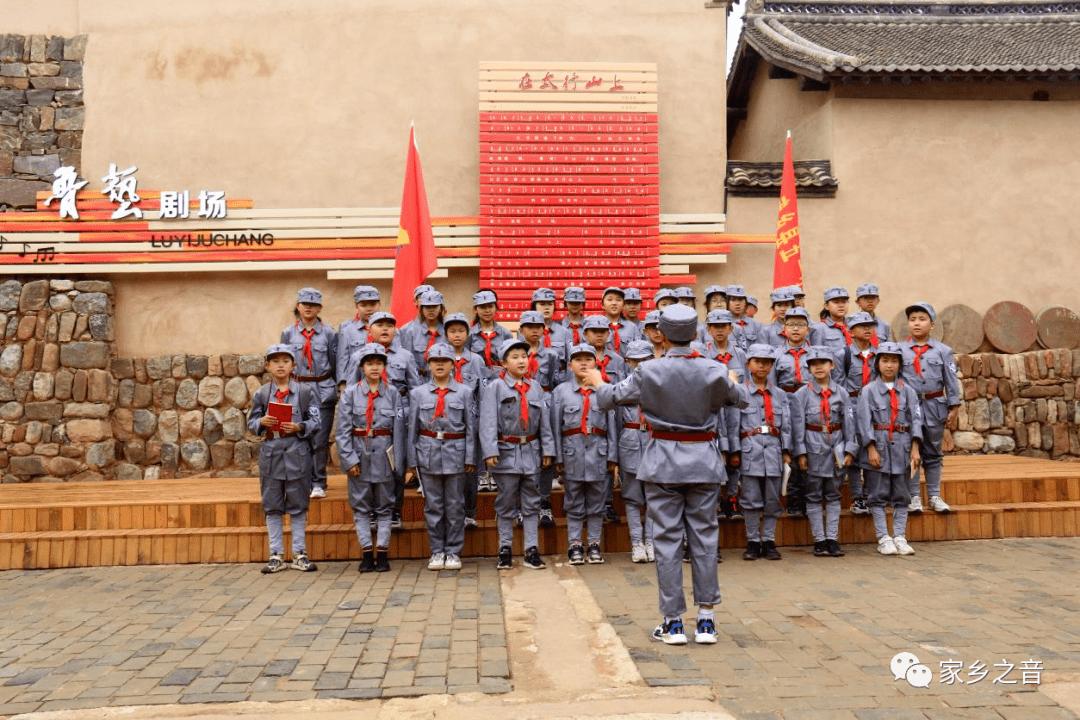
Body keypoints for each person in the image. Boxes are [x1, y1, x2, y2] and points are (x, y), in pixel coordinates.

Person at [587, 303, 745, 646]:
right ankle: (706, 620)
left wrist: (599, 380)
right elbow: (742, 399)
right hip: (703, 460)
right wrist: (731, 378)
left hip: (662, 461)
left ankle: (673, 622)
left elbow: (609, 398)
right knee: (704, 538)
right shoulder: (713, 369)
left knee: (668, 540)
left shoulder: (649, 371)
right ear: (693, 333)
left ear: (661, 334)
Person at [479, 338, 555, 571]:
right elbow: (488, 420)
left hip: (531, 451)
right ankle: (505, 549)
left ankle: (532, 549)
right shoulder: (495, 388)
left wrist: (548, 449)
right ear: (503, 363)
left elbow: (544, 422)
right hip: (506, 452)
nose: (521, 361)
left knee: (532, 502)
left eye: (524, 356)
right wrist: (490, 450)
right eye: (515, 357)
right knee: (505, 502)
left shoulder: (534, 387)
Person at [248, 344, 321, 573]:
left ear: (293, 365)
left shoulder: (306, 392)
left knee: (298, 506)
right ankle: (276, 554)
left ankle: (300, 553)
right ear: (268, 366)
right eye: (275, 361)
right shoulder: (261, 394)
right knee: (272, 506)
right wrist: (261, 423)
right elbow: (251, 423)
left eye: (285, 361)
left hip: (297, 453)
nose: (281, 365)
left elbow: (317, 422)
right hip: (271, 455)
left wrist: (299, 426)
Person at [406, 343, 477, 571]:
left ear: (452, 365)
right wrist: (412, 459)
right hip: (428, 453)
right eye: (435, 361)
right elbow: (412, 429)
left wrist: (470, 457)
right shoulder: (418, 394)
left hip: (456, 452)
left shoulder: (465, 393)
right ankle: (437, 550)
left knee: (455, 505)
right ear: (428, 365)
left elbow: (470, 428)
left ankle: (454, 551)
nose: (439, 365)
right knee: (434, 506)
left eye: (444, 361)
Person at [335, 343, 405, 573]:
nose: (374, 367)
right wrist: (349, 460)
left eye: (379, 363)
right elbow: (342, 431)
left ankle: (382, 552)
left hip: (385, 458)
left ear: (384, 366)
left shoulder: (393, 393)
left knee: (385, 507)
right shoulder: (350, 394)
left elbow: (398, 431)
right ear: (362, 367)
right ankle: (366, 552)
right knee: (362, 508)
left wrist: (399, 464)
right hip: (360, 457)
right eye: (369, 363)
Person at [553, 343, 618, 565]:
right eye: (578, 359)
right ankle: (575, 545)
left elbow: (612, 426)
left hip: (598, 453)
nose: (583, 363)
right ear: (570, 365)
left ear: (596, 363)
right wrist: (558, 457)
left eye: (588, 359)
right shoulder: (561, 392)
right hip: (572, 453)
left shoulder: (604, 389)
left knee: (597, 502)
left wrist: (612, 456)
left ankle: (593, 543)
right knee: (573, 501)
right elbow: (555, 427)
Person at [856, 341, 922, 556]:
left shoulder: (909, 392)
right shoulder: (868, 391)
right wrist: (871, 449)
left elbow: (916, 421)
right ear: (877, 364)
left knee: (902, 494)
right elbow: (864, 422)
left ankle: (900, 536)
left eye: (894, 361)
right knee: (878, 493)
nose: (889, 365)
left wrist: (915, 448)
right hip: (880, 448)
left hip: (902, 448)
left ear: (900, 365)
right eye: (885, 361)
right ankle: (883, 537)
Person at [791, 346, 856, 558]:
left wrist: (849, 449)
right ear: (808, 368)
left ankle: (832, 538)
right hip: (813, 448)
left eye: (823, 363)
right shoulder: (801, 394)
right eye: (813, 364)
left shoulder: (842, 393)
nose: (818, 367)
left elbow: (849, 424)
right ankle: (819, 540)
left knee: (834, 493)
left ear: (832, 365)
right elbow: (798, 425)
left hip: (836, 447)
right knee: (813, 494)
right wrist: (800, 453)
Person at [901, 302, 960, 514]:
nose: (917, 323)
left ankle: (934, 495)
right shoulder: (900, 351)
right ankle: (914, 496)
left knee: (933, 452)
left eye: (922, 319)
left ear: (932, 325)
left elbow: (950, 380)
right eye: (913, 319)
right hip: (909, 407)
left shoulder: (943, 351)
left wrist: (954, 406)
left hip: (935, 405)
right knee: (911, 450)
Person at [735, 344, 792, 562]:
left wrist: (786, 451)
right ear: (749, 363)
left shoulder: (779, 394)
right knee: (750, 499)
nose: (762, 366)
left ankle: (768, 541)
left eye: (767, 362)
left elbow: (786, 425)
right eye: (757, 361)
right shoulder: (740, 392)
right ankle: (752, 541)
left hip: (774, 452)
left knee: (772, 500)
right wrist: (734, 451)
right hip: (750, 452)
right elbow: (734, 424)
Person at [364, 311, 420, 529]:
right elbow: (351, 389)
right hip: (371, 417)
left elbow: (415, 387)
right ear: (369, 329)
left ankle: (395, 510)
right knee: (369, 464)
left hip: (399, 415)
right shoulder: (360, 356)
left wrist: (413, 416)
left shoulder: (405, 356)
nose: (385, 329)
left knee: (396, 464)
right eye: (379, 325)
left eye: (390, 325)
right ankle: (371, 511)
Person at [280, 287, 337, 499]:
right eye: (305, 304)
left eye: (313, 305)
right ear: (298, 306)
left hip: (322, 389)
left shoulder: (330, 333)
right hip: (297, 389)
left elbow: (334, 363)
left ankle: (319, 482)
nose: (308, 308)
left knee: (319, 438)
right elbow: (283, 362)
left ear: (319, 308)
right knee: (297, 437)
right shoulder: (288, 333)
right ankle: (300, 479)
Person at [771, 307, 813, 518]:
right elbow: (771, 385)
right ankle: (794, 499)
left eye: (801, 325)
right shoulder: (776, 354)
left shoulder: (816, 353)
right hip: (786, 404)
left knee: (810, 449)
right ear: (783, 328)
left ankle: (810, 498)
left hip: (810, 405)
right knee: (791, 450)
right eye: (791, 325)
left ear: (808, 328)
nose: (796, 329)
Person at [443, 312, 485, 527]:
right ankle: (451, 513)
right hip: (448, 421)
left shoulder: (476, 360)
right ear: (446, 334)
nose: (457, 335)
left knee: (470, 468)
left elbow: (483, 393)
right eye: (452, 331)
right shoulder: (440, 358)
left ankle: (469, 512)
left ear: (468, 334)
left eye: (461, 331)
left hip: (471, 421)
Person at [617, 340, 657, 562]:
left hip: (654, 444)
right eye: (636, 361)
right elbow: (615, 424)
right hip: (630, 444)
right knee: (632, 498)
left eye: (645, 360)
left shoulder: (660, 387)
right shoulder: (623, 386)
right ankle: (636, 544)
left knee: (653, 497)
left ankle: (651, 541)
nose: (640, 365)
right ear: (628, 362)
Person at [841, 312, 879, 515]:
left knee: (872, 448)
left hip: (874, 408)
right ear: (851, 331)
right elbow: (838, 385)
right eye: (861, 325)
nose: (867, 329)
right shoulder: (844, 355)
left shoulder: (880, 354)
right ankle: (857, 498)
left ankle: (870, 495)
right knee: (854, 452)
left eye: (870, 325)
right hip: (852, 406)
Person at [336, 285, 381, 388]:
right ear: (356, 306)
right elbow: (342, 361)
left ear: (379, 305)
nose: (369, 309)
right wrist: (343, 386)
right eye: (363, 305)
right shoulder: (347, 331)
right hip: (356, 383)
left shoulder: (387, 330)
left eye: (373, 304)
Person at [401, 289, 447, 377]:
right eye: (427, 307)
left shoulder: (449, 329)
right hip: (419, 382)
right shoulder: (408, 331)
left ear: (441, 308)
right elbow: (407, 362)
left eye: (434, 306)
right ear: (421, 309)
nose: (431, 310)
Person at [468, 289, 512, 376]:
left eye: (490, 306)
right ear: (475, 309)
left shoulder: (505, 334)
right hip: (477, 378)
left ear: (496, 308)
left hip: (500, 379)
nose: (487, 310)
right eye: (482, 307)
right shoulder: (469, 334)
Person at [601, 286, 641, 357]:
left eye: (618, 300)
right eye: (609, 299)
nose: (614, 303)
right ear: (602, 305)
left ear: (623, 305)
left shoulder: (632, 328)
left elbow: (638, 353)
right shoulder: (596, 327)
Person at [726, 284, 761, 350]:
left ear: (745, 303)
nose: (737, 303)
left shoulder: (754, 324)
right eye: (733, 300)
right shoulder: (724, 324)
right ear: (727, 302)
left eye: (740, 300)